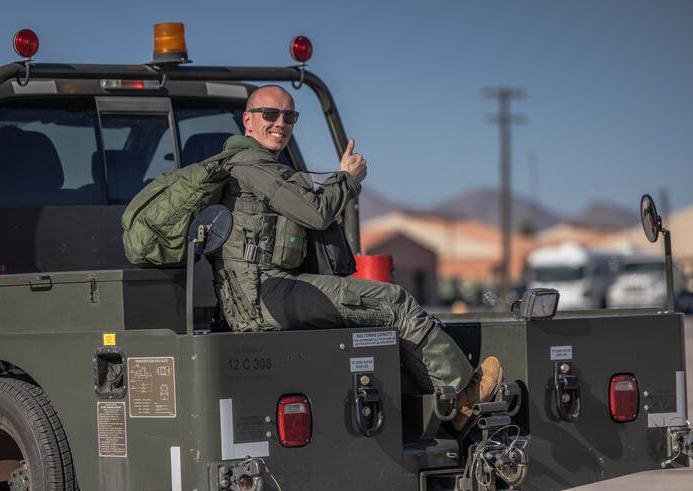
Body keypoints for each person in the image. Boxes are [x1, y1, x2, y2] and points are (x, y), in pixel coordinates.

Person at [212, 85, 501, 430]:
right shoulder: (251, 164)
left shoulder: (263, 167)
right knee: (393, 302)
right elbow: (315, 213)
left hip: (265, 292)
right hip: (263, 295)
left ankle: (429, 391)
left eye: (289, 116)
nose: (280, 123)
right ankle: (463, 396)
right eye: (270, 114)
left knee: (374, 309)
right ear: (248, 120)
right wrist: (348, 180)